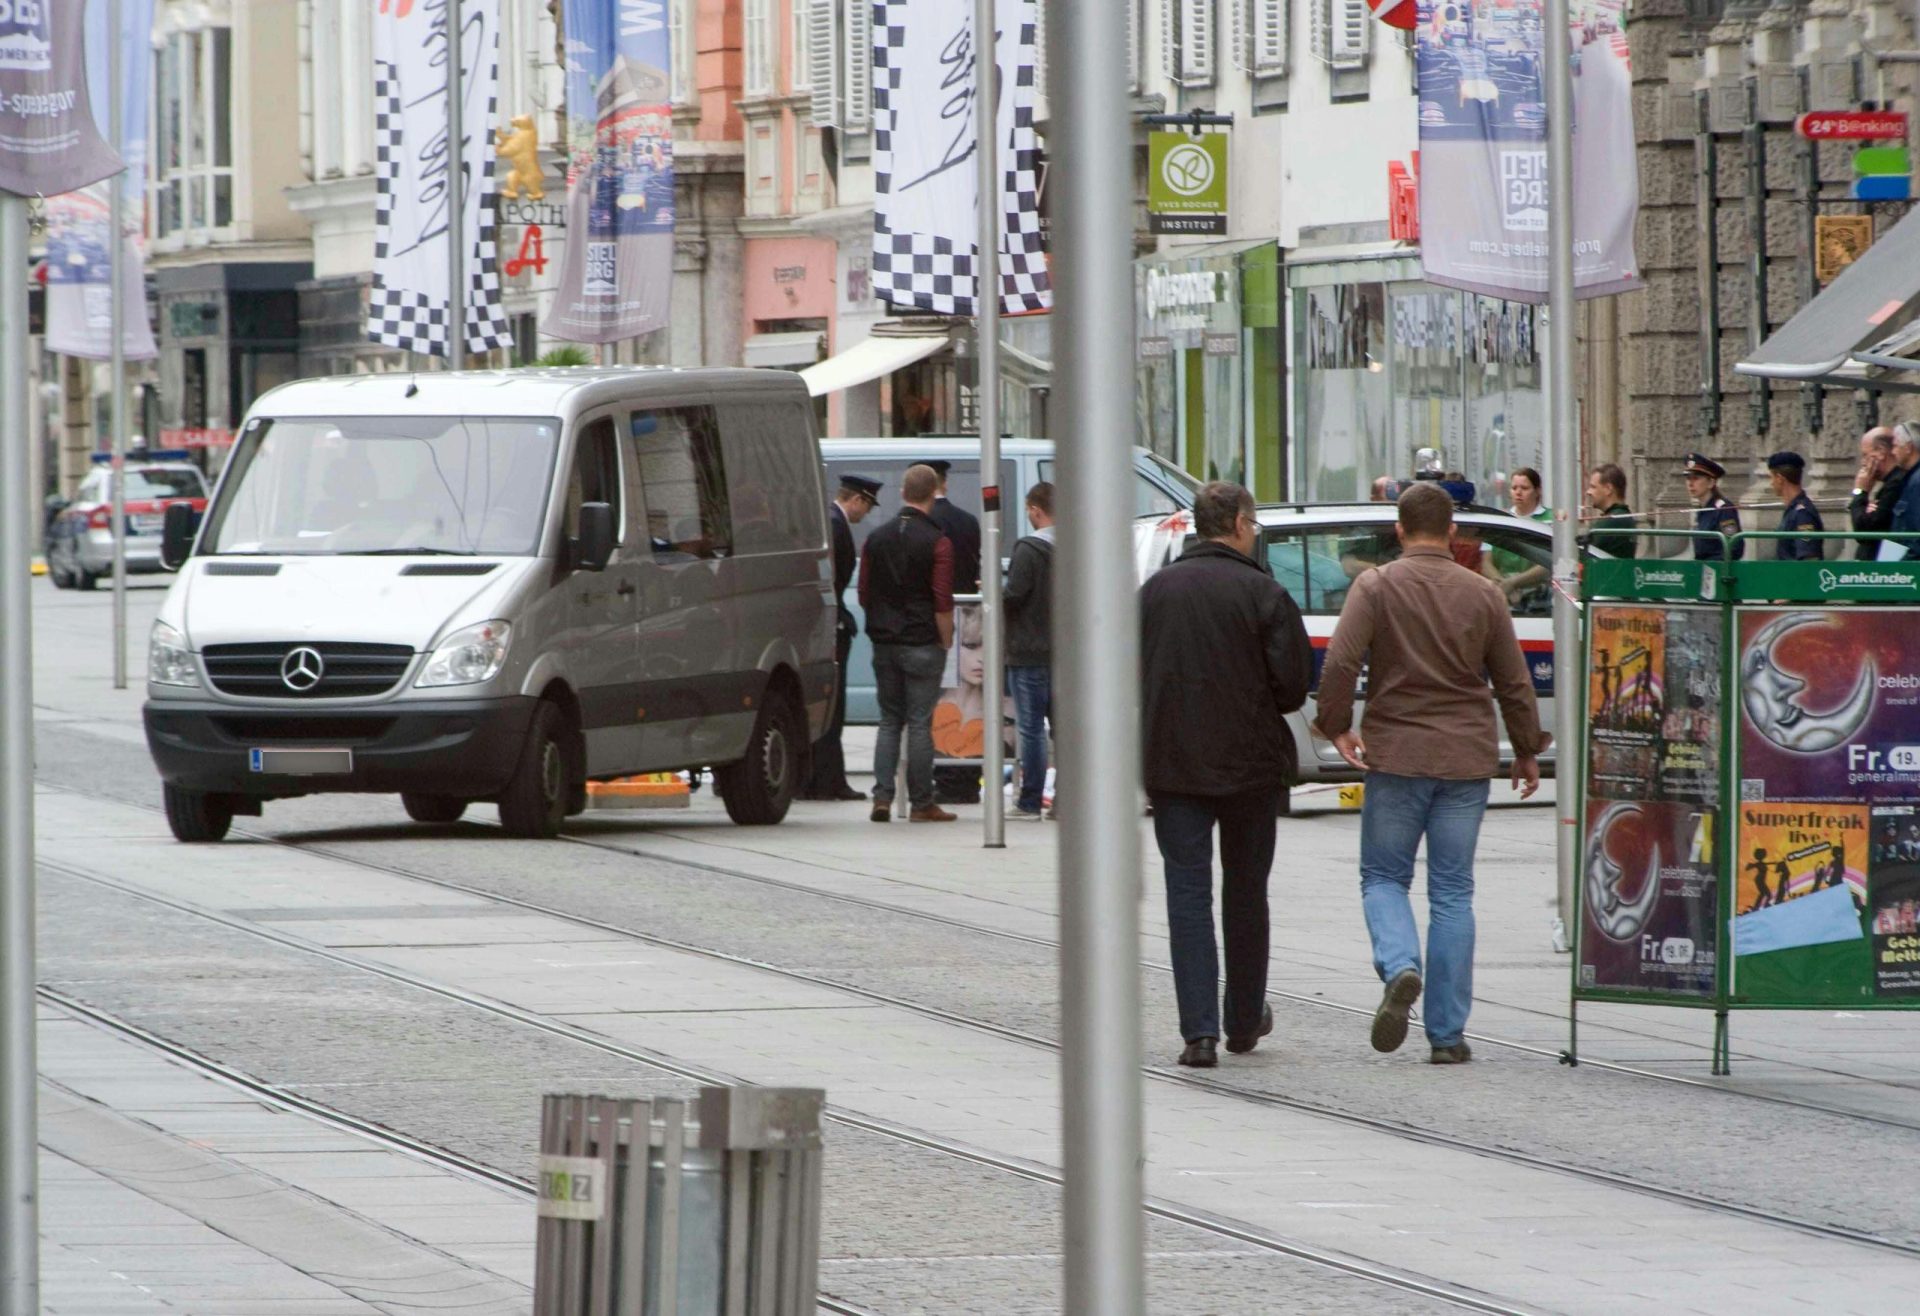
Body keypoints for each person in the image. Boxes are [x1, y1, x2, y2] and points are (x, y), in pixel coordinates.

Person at [1313, 482, 1546, 1065]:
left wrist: (1337, 724)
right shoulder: (1483, 593)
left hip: (1396, 755)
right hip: (1465, 759)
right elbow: (1513, 681)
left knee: (1384, 878)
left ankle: (1400, 966)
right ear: (1452, 534)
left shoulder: (1375, 585)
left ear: (1397, 529)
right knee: (1453, 891)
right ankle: (1447, 1035)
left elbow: (1341, 660)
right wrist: (1523, 748)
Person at [1140, 482, 1312, 1069]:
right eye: (1255, 523)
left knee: (1186, 894)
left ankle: (1199, 1033)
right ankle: (1243, 1019)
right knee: (1245, 892)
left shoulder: (1153, 593)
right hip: (1250, 766)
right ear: (1239, 523)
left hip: (1173, 765)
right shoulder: (1264, 592)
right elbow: (1292, 687)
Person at [858, 464, 957, 824]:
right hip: (921, 641)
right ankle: (921, 803)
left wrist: (881, 624)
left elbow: (866, 591)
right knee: (919, 722)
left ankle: (881, 799)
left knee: (889, 721)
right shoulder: (938, 541)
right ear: (933, 494)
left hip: (884, 641)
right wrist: (946, 639)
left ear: (902, 493)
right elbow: (942, 598)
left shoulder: (876, 537)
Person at [803, 474, 880, 801]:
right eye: (867, 506)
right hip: (831, 627)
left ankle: (822, 779)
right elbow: (831, 583)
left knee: (829, 706)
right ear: (857, 499)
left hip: (829, 624)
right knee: (833, 707)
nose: (866, 515)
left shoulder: (830, 521)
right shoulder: (836, 526)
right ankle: (827, 781)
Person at [923, 460, 984, 804]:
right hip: (966, 622)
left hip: (931, 624)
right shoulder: (967, 522)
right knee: (967, 701)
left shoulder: (920, 523)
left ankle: (940, 773)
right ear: (945, 483)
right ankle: (966, 774)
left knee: (936, 701)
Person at [1003, 481, 1056, 821]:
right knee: (1066, 728)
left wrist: (995, 590)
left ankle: (1030, 801)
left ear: (1036, 510)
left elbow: (1015, 596)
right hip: (1068, 655)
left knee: (1031, 728)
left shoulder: (1029, 549)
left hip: (1030, 651)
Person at [1680, 453, 1743, 561]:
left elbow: (1734, 547)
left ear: (1711, 483)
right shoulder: (1702, 510)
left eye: (1696, 478)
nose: (1690, 483)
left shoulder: (1724, 510)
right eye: (1688, 478)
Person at [1767, 451, 1823, 561]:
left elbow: (1809, 557)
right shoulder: (1793, 510)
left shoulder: (1803, 514)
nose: (1771, 483)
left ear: (1779, 478)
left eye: (1771, 477)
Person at [1584, 463, 1638, 558]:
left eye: (1593, 487)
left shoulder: (1615, 520)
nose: (1588, 492)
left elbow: (1581, 551)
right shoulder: (1620, 517)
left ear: (1608, 489)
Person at [1888, 425, 1920, 560]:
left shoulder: (1917, 482)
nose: (1893, 452)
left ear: (1908, 448)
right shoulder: (1910, 479)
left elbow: (1915, 533)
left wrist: (1901, 568)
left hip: (1909, 571)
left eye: (1895, 446)